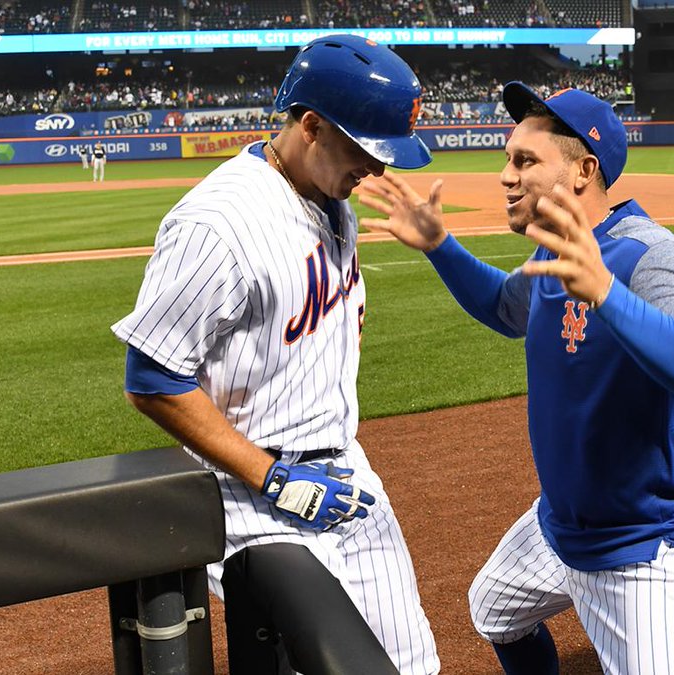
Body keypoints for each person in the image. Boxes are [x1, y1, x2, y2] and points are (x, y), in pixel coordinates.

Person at [359, 83, 674, 675]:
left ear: (585, 171)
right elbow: (505, 307)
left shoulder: (647, 256)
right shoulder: (553, 253)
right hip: (561, 525)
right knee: (494, 609)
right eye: (508, 158)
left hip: (646, 546)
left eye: (525, 161)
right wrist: (440, 244)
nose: (506, 176)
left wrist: (610, 295)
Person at [111, 34, 440, 674]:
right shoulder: (218, 223)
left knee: (414, 668)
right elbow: (151, 378)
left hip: (348, 474)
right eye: (365, 151)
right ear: (311, 125)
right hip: (254, 497)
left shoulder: (329, 195)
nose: (377, 171)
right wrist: (272, 477)